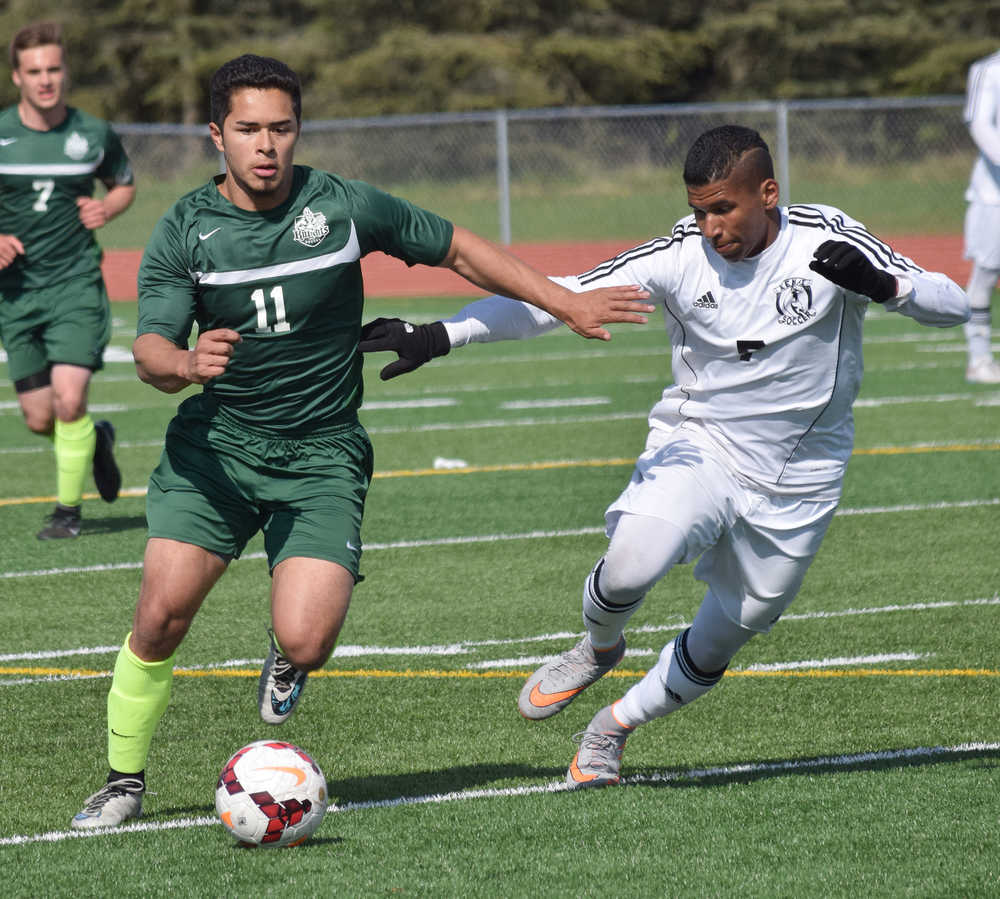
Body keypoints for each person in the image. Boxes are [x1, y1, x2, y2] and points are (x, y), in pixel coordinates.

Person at [68, 53, 651, 828]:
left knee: (308, 640)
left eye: (282, 128)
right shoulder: (185, 229)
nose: (266, 145)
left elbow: (457, 247)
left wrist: (562, 301)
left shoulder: (342, 206)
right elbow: (150, 351)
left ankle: (289, 655)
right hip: (218, 452)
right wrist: (184, 362)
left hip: (322, 456)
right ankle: (122, 781)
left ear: (298, 129)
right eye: (248, 129)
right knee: (160, 616)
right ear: (216, 134)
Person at [360, 125, 970, 788]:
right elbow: (559, 297)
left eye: (723, 209)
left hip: (804, 475)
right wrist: (440, 335)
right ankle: (599, 646)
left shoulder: (826, 237)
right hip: (703, 443)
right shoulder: (679, 255)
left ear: (768, 193)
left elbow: (955, 304)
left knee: (725, 635)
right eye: (698, 211)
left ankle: (612, 727)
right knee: (630, 566)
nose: (710, 227)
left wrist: (886, 286)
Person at [0, 21, 134, 538]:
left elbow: (123, 184)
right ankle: (95, 440)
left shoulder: (93, 133)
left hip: (76, 285)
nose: (45, 79)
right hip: (15, 295)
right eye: (34, 71)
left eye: (53, 69)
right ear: (17, 77)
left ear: (65, 72)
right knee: (40, 418)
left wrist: (107, 208)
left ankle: (67, 513)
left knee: (70, 399)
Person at [961, 49, 1000, 384]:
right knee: (986, 274)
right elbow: (979, 125)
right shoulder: (989, 70)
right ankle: (979, 359)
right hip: (994, 196)